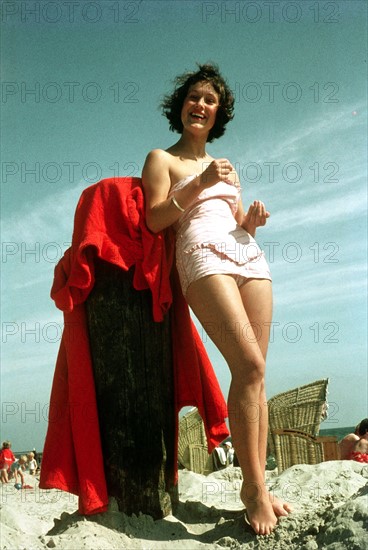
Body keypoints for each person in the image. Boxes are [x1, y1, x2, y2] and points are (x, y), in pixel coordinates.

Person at [142, 63, 291, 536]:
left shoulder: (228, 165)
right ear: (180, 105)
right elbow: (154, 220)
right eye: (193, 97)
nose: (200, 105)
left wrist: (250, 221)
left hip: (247, 255)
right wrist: (200, 183)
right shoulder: (161, 159)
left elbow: (230, 218)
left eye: (210, 100)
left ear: (217, 112)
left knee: (257, 374)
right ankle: (251, 491)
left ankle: (259, 485)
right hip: (201, 256)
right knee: (248, 365)